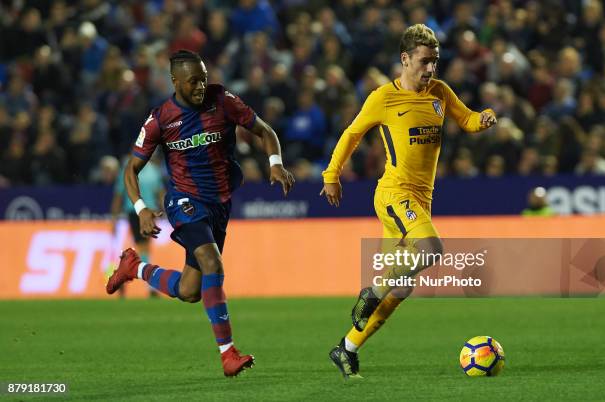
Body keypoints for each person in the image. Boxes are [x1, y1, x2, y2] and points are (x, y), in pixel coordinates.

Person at [320, 24, 497, 379]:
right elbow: (352, 134)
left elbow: (466, 119)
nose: (430, 68)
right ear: (405, 59)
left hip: (420, 201)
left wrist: (484, 119)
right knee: (431, 249)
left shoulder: (440, 92)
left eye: (435, 61)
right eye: (424, 61)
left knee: (401, 287)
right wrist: (331, 175)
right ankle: (371, 290)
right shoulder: (383, 98)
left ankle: (347, 348)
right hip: (394, 195)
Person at [105, 50, 295, 377]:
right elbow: (130, 170)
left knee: (191, 290)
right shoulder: (160, 118)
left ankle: (135, 268)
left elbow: (266, 132)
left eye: (203, 78)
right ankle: (228, 353)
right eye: (193, 81)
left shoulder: (222, 100)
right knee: (212, 261)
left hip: (219, 204)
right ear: (175, 81)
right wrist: (140, 208)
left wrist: (275, 164)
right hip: (183, 201)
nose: (200, 86)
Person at [110, 151, 165, 298]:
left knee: (141, 247)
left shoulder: (128, 168)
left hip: (135, 211)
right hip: (150, 211)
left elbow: (119, 194)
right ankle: (149, 285)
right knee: (143, 247)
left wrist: (114, 218)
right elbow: (160, 194)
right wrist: (166, 211)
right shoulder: (153, 170)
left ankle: (123, 278)